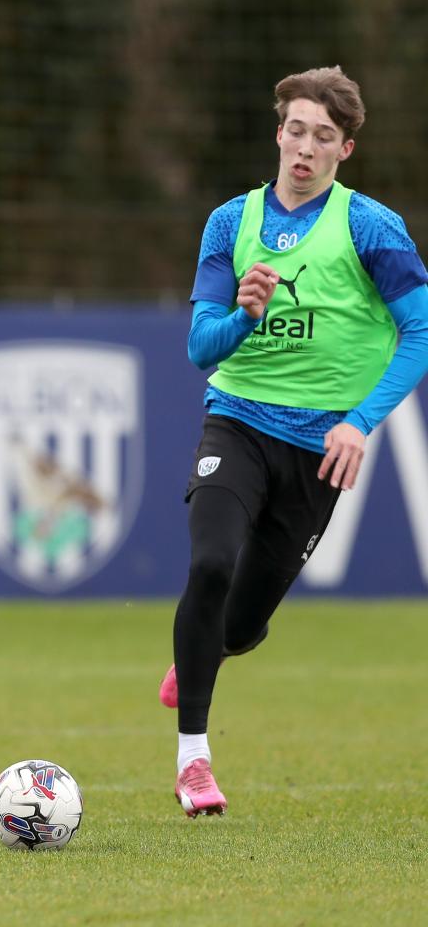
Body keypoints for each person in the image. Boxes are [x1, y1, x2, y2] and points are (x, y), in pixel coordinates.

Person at [162, 67, 428, 817]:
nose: (304, 149)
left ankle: (199, 655)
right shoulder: (230, 222)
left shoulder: (371, 228)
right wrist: (244, 314)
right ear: (278, 132)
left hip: (319, 447)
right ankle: (193, 762)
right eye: (295, 131)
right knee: (210, 563)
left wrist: (361, 420)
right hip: (238, 419)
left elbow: (419, 332)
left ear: (345, 149)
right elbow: (201, 350)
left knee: (240, 628)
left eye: (323, 137)